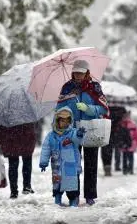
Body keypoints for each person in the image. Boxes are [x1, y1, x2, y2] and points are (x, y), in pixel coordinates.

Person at [56, 59, 109, 206]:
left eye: (81, 73)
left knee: (91, 164)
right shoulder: (67, 88)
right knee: (72, 164)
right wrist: (66, 113)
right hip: (72, 130)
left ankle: (90, 195)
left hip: (91, 129)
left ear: (87, 73)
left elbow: (104, 108)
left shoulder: (95, 87)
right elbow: (59, 108)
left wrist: (89, 109)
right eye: (76, 73)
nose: (78, 76)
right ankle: (74, 195)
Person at [39, 107, 86, 207]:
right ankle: (57, 199)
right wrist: (43, 162)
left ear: (70, 121)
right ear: (57, 121)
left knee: (72, 185)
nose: (64, 123)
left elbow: (77, 140)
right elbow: (46, 149)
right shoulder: (51, 136)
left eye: (67, 121)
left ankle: (73, 200)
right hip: (57, 166)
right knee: (57, 184)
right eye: (62, 121)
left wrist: (79, 135)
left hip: (71, 166)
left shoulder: (72, 132)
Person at [0, 122, 37, 199]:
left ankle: (13, 191)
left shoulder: (6, 110)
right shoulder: (27, 111)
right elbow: (34, 123)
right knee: (27, 162)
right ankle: (27, 186)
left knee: (13, 164)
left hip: (11, 138)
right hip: (26, 136)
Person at [101, 106, 127, 176]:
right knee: (110, 151)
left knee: (105, 150)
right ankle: (108, 168)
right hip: (114, 133)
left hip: (105, 131)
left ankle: (107, 167)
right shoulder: (121, 108)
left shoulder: (105, 107)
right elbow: (122, 117)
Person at [118, 110, 137, 175]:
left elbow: (118, 135)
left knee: (125, 158)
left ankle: (125, 170)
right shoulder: (132, 124)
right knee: (130, 157)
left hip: (125, 144)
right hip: (132, 143)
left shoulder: (121, 124)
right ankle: (130, 169)